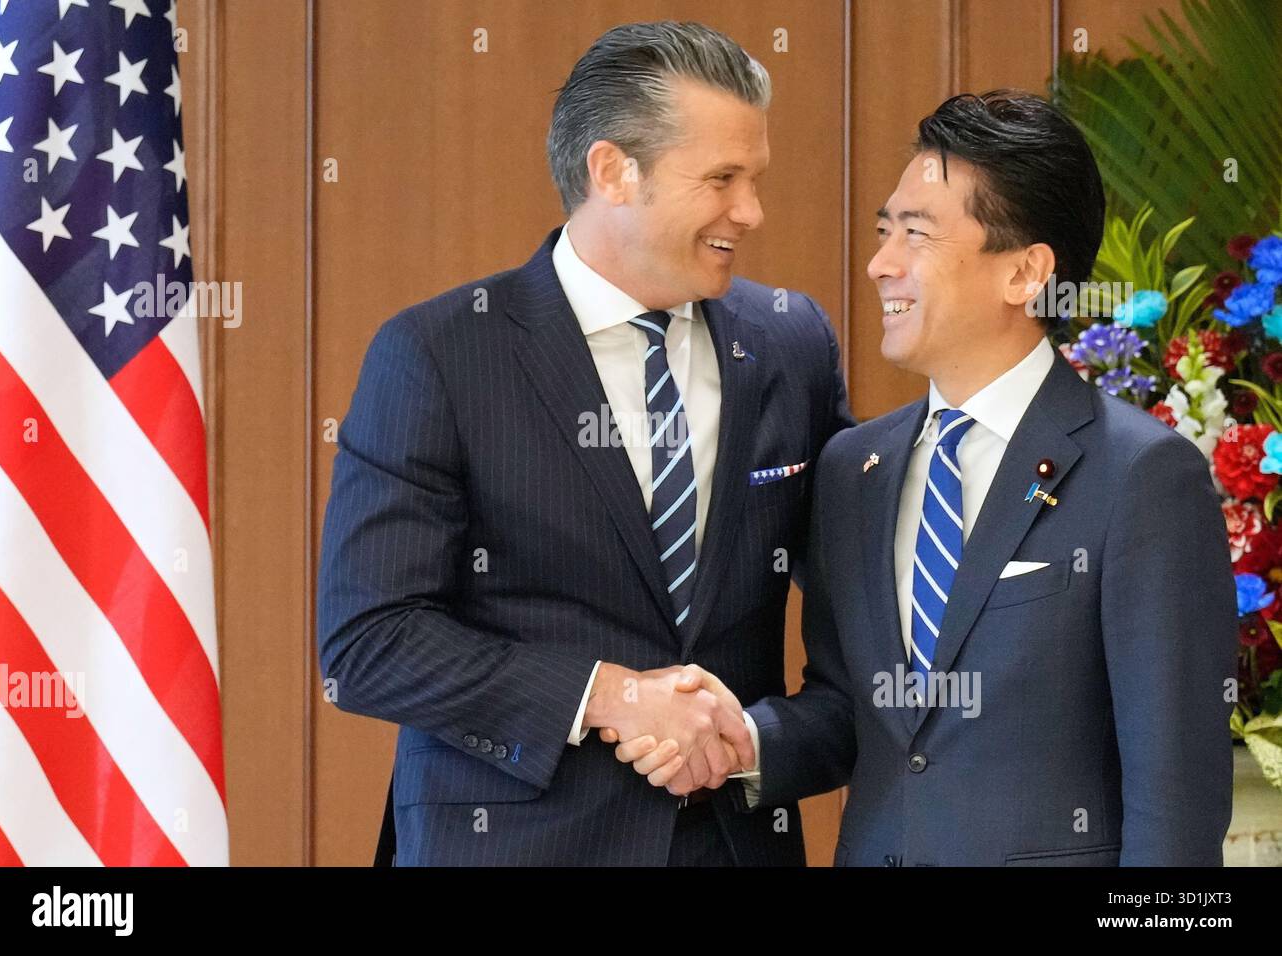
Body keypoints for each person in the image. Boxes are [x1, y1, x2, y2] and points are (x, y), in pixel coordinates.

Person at [619, 91, 1237, 866]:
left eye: (916, 234)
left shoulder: (1141, 474)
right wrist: (744, 739)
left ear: (1025, 273)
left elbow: (1177, 793)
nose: (881, 263)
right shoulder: (852, 470)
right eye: (885, 231)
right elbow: (854, 711)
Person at [316, 20, 853, 866]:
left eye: (754, 179)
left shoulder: (793, 344)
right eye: (721, 179)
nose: (750, 212)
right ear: (613, 171)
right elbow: (368, 644)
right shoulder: (440, 354)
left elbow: (861, 640)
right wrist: (610, 697)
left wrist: (752, 739)